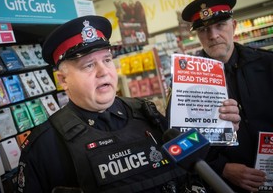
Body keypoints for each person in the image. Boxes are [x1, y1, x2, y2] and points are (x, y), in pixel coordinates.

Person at [16, 15, 240, 193]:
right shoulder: (45, 146)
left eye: (106, 60)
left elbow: (192, 162)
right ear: (63, 80)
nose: (104, 72)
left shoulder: (149, 115)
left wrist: (218, 127)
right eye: (88, 65)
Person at [178, 0, 273, 192]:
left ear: (234, 26)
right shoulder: (185, 82)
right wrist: (222, 168)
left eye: (220, 25)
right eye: (203, 30)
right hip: (225, 185)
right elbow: (181, 146)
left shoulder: (267, 64)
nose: (213, 36)